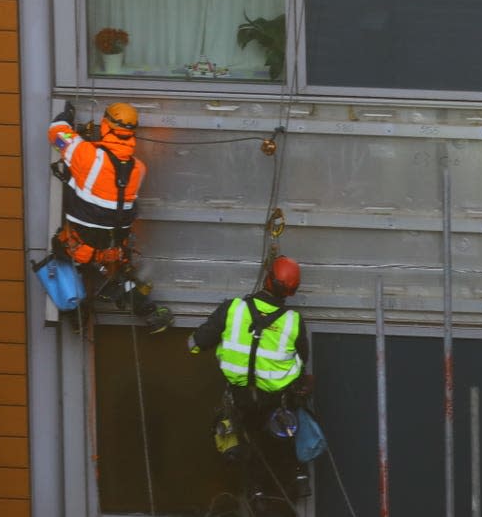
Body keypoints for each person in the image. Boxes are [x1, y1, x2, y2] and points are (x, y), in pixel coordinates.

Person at [188, 255, 311, 511]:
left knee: (248, 445)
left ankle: (256, 494)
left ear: (267, 279)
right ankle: (296, 481)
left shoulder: (232, 309)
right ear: (292, 291)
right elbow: (302, 359)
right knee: (280, 448)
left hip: (241, 399)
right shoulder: (293, 321)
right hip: (277, 402)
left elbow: (197, 343)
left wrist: (196, 344)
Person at [48, 100, 173, 333]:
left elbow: (56, 133)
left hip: (79, 245)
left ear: (105, 126)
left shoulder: (86, 154)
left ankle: (77, 315)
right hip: (113, 247)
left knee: (62, 261)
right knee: (123, 276)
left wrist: (66, 116)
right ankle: (147, 310)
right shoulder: (138, 168)